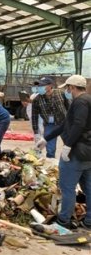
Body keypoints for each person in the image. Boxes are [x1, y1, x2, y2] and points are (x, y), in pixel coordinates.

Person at [37, 75, 91, 230]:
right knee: (88, 188)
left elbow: (78, 125)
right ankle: (89, 222)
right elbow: (65, 125)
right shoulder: (87, 100)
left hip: (76, 152)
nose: (67, 91)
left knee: (67, 187)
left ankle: (63, 221)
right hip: (88, 152)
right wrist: (46, 139)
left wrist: (67, 146)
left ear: (72, 87)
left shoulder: (80, 102)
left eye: (68, 88)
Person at [31, 77, 69, 158]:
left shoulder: (61, 94)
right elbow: (34, 117)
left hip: (64, 123)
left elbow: (69, 108)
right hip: (49, 125)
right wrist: (36, 132)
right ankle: (51, 165)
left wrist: (71, 123)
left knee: (69, 145)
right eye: (39, 85)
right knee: (50, 149)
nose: (39, 87)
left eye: (42, 85)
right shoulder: (36, 100)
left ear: (50, 85)